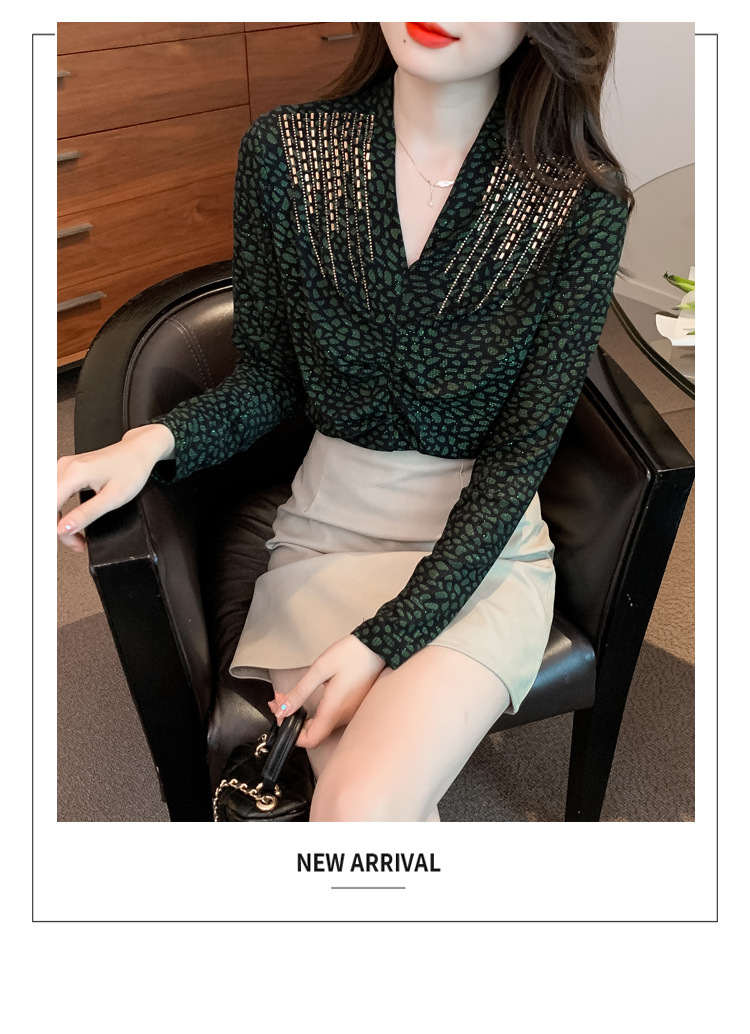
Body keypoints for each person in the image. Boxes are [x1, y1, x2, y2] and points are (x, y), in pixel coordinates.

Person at [57, 22, 633, 822]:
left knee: (359, 808)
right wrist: (150, 443)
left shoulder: (581, 201)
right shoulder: (285, 153)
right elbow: (269, 378)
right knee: (360, 818)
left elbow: (518, 458)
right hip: (326, 538)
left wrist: (383, 640)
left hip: (480, 555)